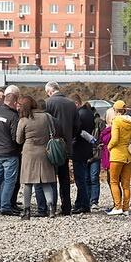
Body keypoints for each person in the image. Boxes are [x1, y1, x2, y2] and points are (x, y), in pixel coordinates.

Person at [15, 95, 59, 219]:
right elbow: (54, 132)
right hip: (45, 151)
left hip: (29, 152)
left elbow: (19, 140)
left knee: (28, 183)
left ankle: (27, 211)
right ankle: (51, 209)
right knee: (46, 182)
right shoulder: (47, 117)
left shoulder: (24, 120)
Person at [44, 81, 80, 215]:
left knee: (51, 177)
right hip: (66, 146)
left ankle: (51, 207)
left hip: (52, 147)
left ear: (49, 91)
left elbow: (45, 123)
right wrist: (68, 138)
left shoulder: (48, 103)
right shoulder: (71, 104)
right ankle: (66, 207)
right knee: (65, 178)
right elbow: (77, 126)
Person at [0, 85, 21, 216]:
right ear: (14, 103)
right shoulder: (13, 116)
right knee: (9, 181)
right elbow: (16, 137)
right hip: (10, 153)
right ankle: (5, 206)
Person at [105, 100, 131, 216]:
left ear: (115, 111)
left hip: (117, 155)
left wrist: (109, 147)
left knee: (114, 181)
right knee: (126, 184)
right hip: (128, 155)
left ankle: (117, 206)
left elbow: (114, 139)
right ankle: (126, 208)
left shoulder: (116, 121)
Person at [69, 93, 97, 214]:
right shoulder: (89, 113)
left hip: (79, 150)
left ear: (76, 103)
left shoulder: (79, 115)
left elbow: (77, 132)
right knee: (83, 177)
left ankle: (84, 204)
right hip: (86, 149)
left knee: (80, 179)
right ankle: (79, 202)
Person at [87, 106, 107, 209]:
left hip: (96, 154)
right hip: (85, 154)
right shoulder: (83, 120)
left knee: (94, 177)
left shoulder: (99, 122)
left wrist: (101, 145)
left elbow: (105, 135)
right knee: (86, 178)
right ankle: (87, 200)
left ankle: (94, 200)